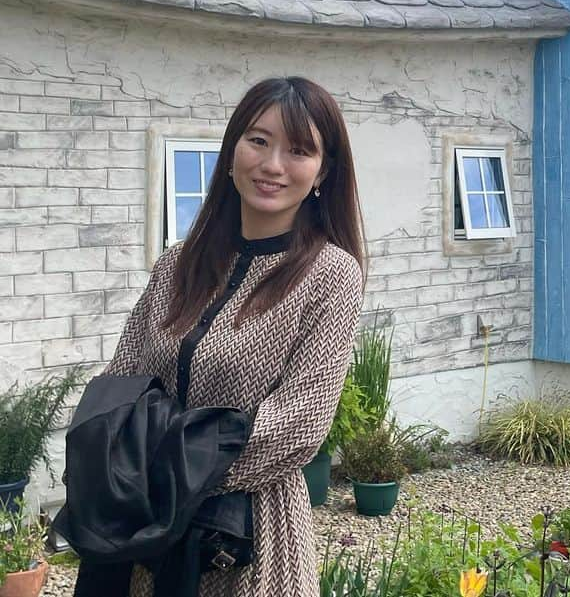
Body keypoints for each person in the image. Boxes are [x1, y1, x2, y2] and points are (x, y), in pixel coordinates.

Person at [95, 76, 367, 597]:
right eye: (258, 140)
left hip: (250, 535)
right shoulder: (178, 264)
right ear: (231, 149)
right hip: (143, 531)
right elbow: (121, 381)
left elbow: (298, 423)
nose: (272, 165)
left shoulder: (331, 275)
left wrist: (164, 461)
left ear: (322, 171)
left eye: (298, 150)